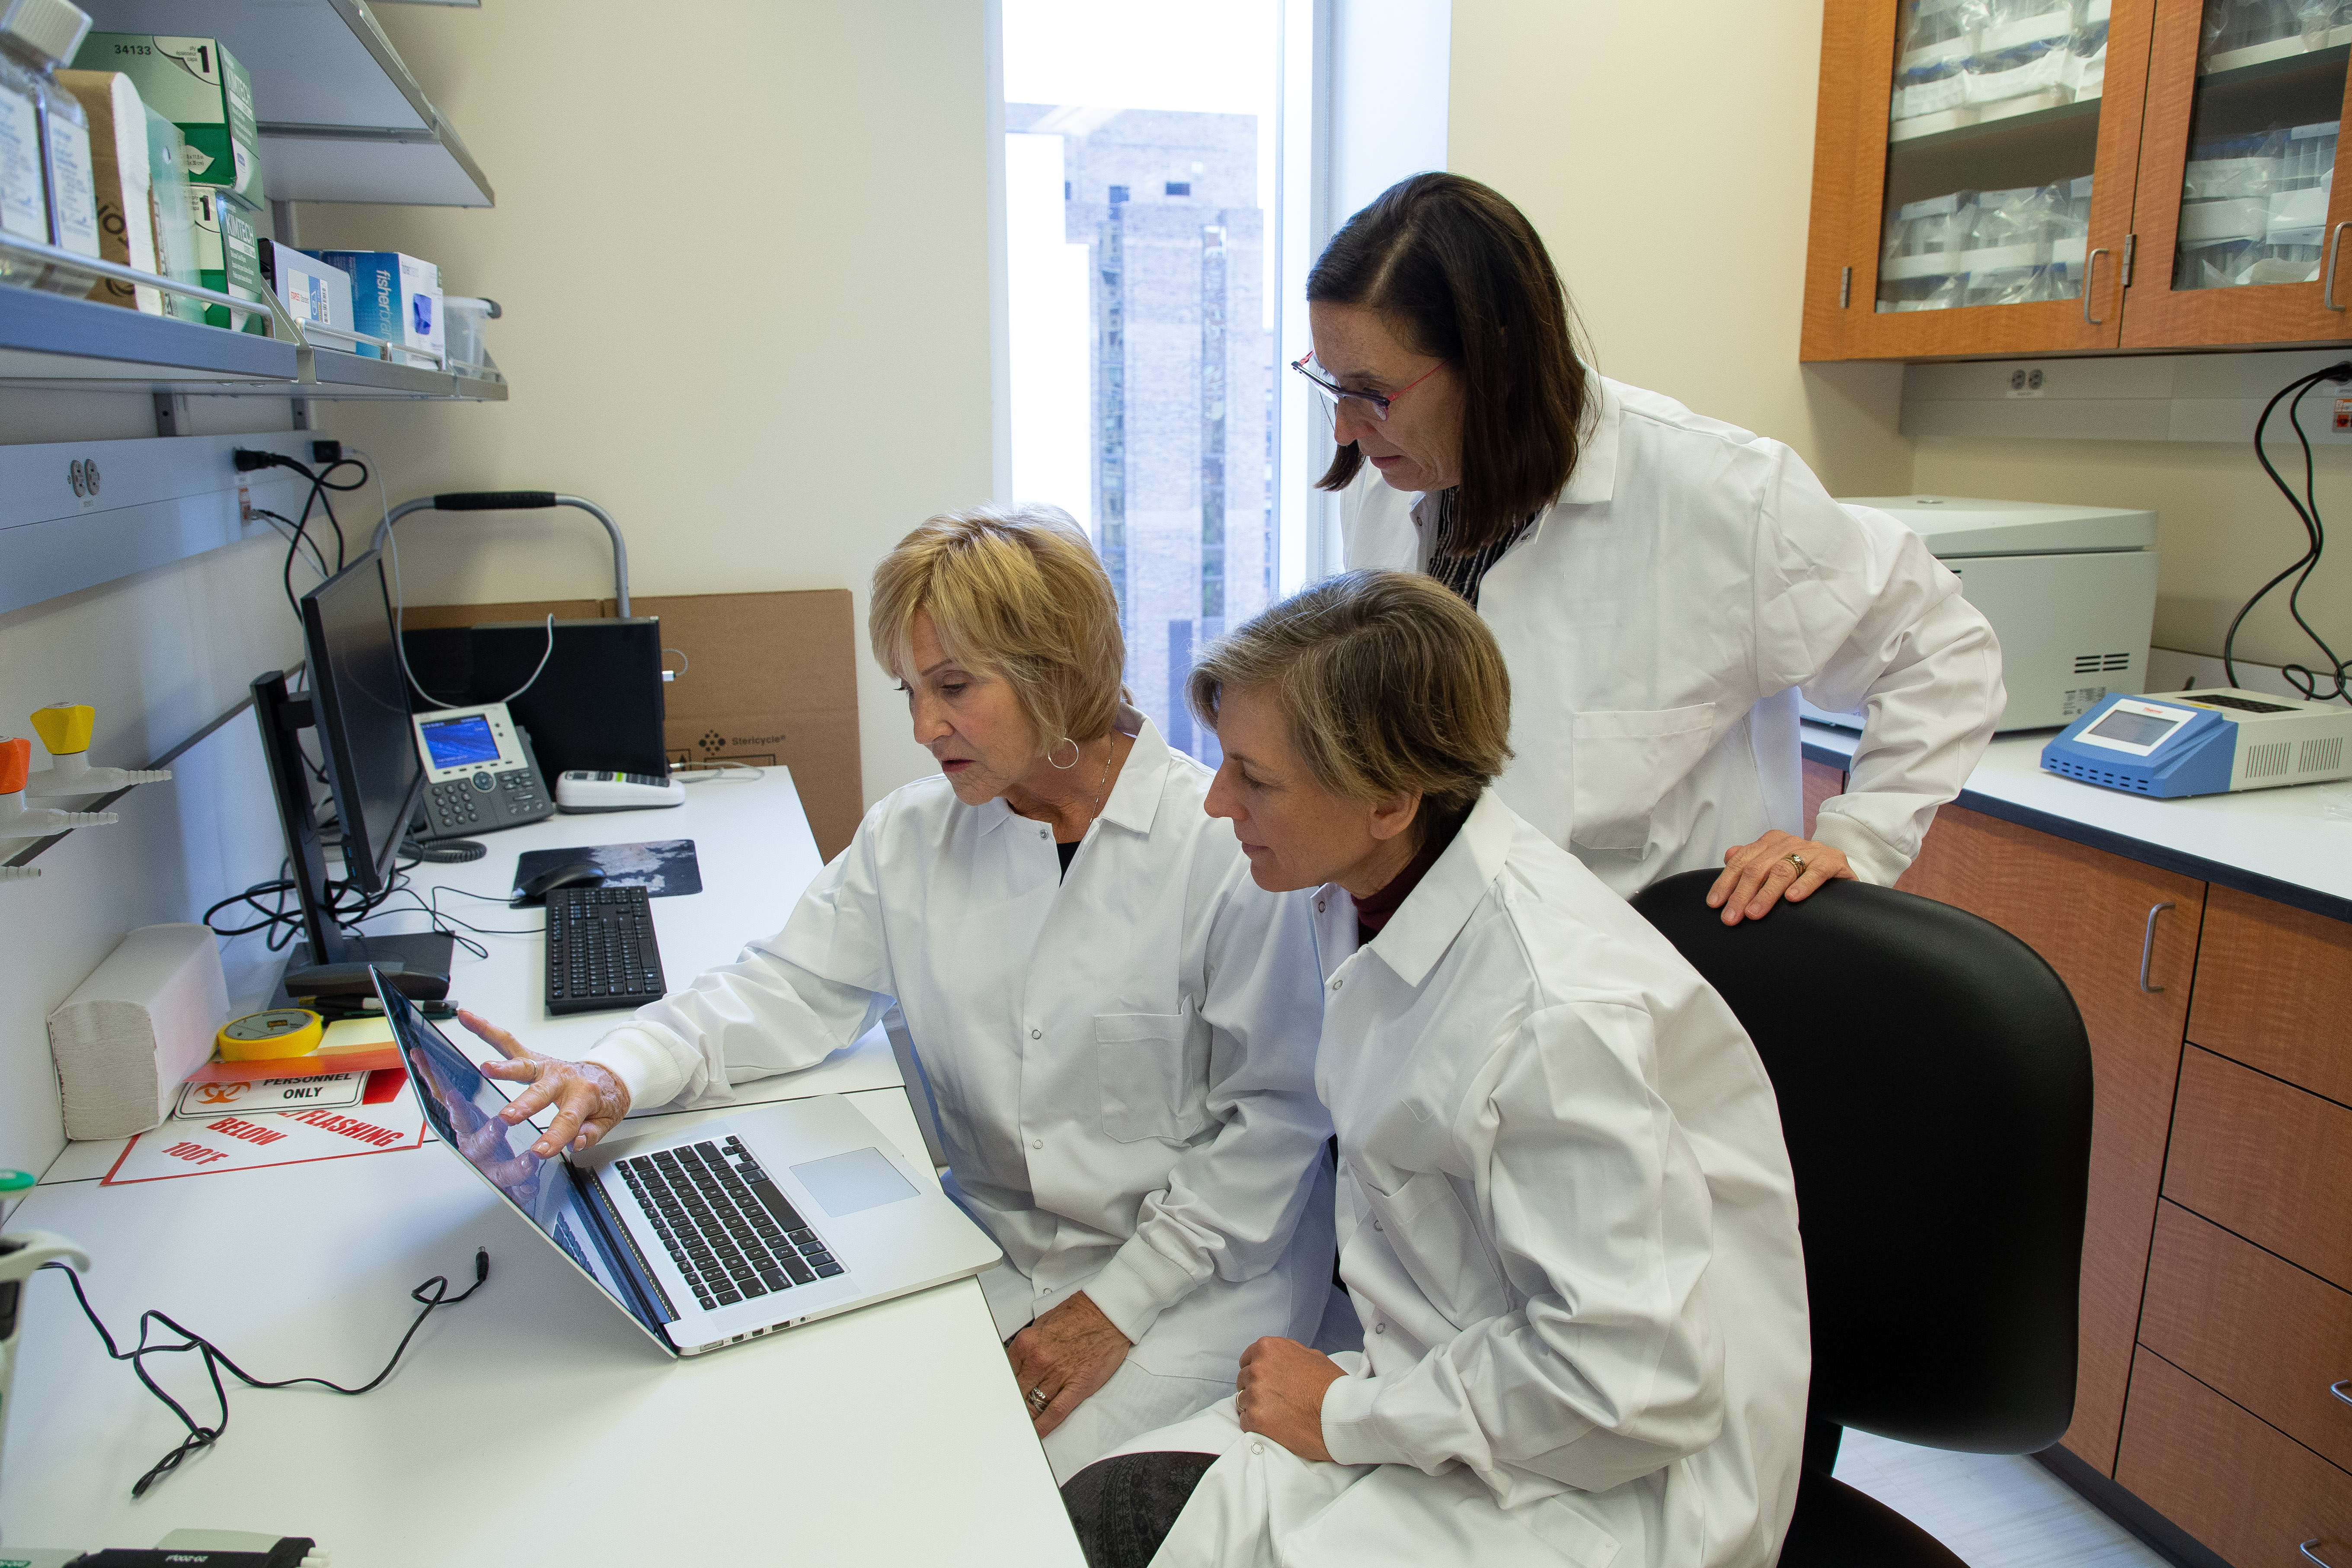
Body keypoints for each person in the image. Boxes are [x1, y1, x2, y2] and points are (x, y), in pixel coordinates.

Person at [457, 505, 1336, 1483]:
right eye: (910, 690)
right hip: (998, 1243)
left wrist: (1110, 1312)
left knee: (1014, 1491)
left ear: (1057, 670)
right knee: (852, 1447)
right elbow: (783, 986)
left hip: (1190, 1280)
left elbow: (1273, 1126)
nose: (922, 728)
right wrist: (613, 1069)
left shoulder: (1222, 852)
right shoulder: (914, 835)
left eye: (953, 686)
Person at [1061, 570, 1809, 1568]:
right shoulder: (1364, 889)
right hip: (1466, 1376)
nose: (1214, 799)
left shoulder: (1554, 1014)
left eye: (1254, 776)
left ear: (1388, 798)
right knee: (1097, 1509)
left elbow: (1633, 1385)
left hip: (1616, 1477)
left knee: (1121, 1532)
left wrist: (1354, 1414)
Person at [1297, 172, 2004, 924]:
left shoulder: (1721, 494)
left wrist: (1860, 839)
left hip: (1652, 989)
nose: (1345, 428)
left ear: (1494, 357)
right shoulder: (1392, 487)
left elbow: (1942, 651)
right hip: (1444, 955)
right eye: (1330, 385)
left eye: (1372, 393)